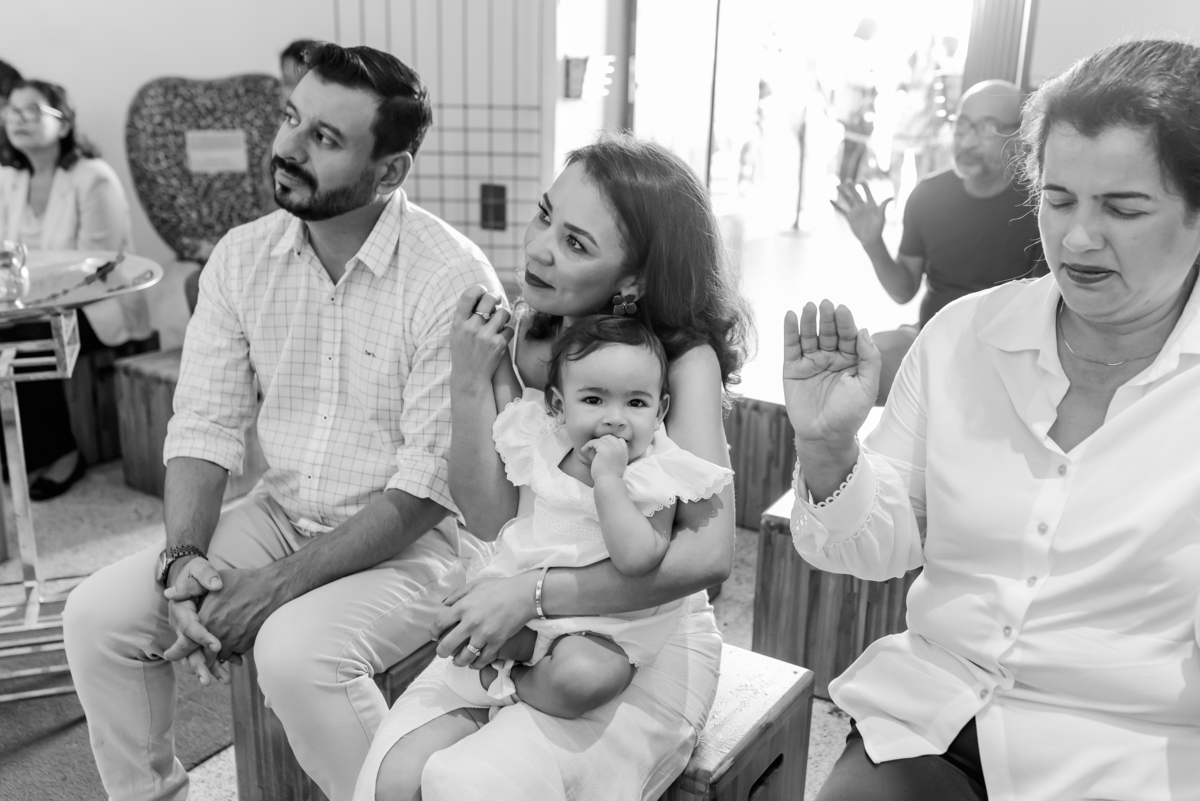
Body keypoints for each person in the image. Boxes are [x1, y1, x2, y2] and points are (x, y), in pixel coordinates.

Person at [63, 43, 501, 801]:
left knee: (295, 653)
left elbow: (426, 489)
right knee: (97, 616)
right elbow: (204, 427)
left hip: (420, 545)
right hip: (282, 512)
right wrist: (183, 562)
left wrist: (270, 590)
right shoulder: (241, 258)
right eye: (292, 118)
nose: (287, 149)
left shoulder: (452, 276)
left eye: (325, 139)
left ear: (389, 172)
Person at [787, 39, 1200, 801]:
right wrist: (827, 447)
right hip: (928, 721)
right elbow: (874, 548)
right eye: (1059, 198)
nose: (1077, 237)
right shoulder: (963, 337)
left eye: (1124, 207)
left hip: (1127, 755)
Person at [356, 133, 754, 801]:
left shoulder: (683, 362)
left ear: (633, 279)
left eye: (576, 242)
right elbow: (489, 513)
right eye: (545, 215)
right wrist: (466, 381)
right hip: (519, 624)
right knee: (390, 783)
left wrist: (534, 592)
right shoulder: (525, 333)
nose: (539, 246)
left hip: (636, 640)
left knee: (469, 784)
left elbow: (708, 556)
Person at [431, 315, 733, 720]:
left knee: (581, 679)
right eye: (593, 400)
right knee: (449, 625)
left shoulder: (654, 473)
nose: (614, 418)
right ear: (559, 404)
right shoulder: (545, 439)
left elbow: (637, 559)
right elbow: (505, 408)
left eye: (636, 402)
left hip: (603, 625)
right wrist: (492, 349)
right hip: (519, 596)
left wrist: (609, 481)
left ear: (660, 410)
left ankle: (514, 685)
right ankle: (515, 661)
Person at [832, 79, 1042, 402]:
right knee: (856, 365)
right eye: (962, 125)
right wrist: (873, 243)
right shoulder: (928, 195)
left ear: (1019, 136)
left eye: (987, 127)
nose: (967, 141)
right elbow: (904, 289)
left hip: (1007, 356)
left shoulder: (1039, 207)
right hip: (933, 339)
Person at [0, 78, 153, 498]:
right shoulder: (8, 179)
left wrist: (31, 300)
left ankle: (63, 453)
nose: (18, 120)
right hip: (28, 303)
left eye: (31, 111)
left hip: (96, 306)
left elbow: (96, 268)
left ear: (64, 123)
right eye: (12, 111)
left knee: (27, 338)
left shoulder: (92, 177)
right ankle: (18, 453)